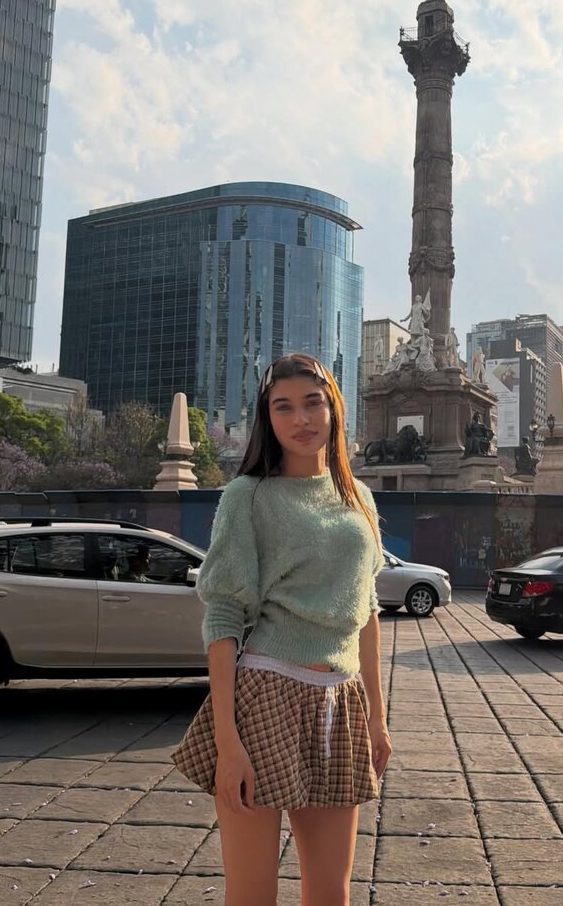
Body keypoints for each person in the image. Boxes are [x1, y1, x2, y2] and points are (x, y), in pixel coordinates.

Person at [172, 353, 391, 906]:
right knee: (252, 894)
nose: (301, 419)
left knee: (332, 893)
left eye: (313, 403)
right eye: (283, 407)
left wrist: (378, 718)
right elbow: (223, 617)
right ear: (267, 419)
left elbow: (365, 611)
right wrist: (228, 743)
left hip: (340, 702)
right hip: (265, 696)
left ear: (334, 409)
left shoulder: (358, 497)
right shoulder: (248, 496)